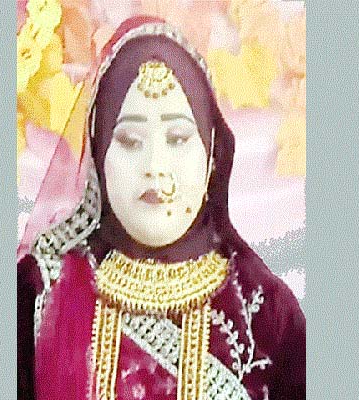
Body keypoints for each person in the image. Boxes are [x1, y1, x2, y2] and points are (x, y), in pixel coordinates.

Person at [18, 16, 305, 400]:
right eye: (130, 140)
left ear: (211, 156)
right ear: (99, 155)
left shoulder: (269, 318)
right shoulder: (38, 291)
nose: (155, 166)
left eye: (178, 137)